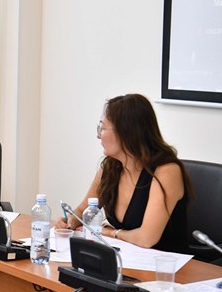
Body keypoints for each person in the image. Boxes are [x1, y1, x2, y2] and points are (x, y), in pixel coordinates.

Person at [55, 94, 193, 254]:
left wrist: (109, 232)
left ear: (126, 132)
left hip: (166, 263)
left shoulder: (166, 171)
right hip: (126, 257)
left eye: (103, 128)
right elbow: (82, 211)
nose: (98, 135)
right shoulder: (110, 167)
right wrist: (70, 221)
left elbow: (146, 238)